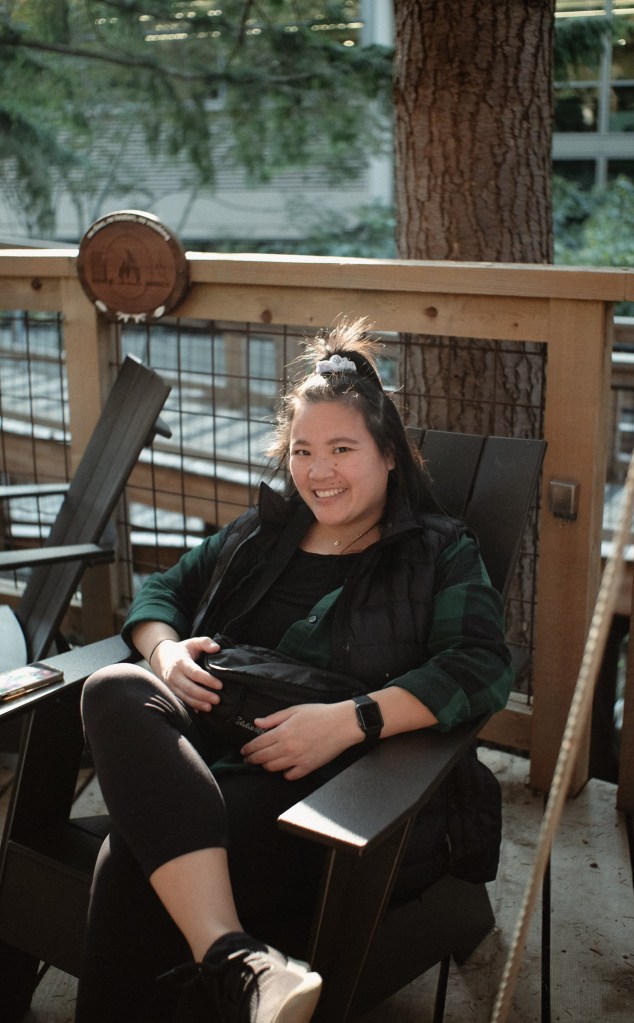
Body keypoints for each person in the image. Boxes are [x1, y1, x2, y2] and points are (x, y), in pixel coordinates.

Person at [76, 318, 514, 1023]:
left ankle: (229, 957)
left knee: (135, 856)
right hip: (213, 754)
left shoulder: (436, 552)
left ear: (390, 455)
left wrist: (352, 718)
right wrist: (165, 652)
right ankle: (237, 958)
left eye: (342, 448)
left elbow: (482, 664)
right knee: (114, 686)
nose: (319, 470)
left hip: (334, 798)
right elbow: (162, 593)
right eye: (304, 450)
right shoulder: (263, 531)